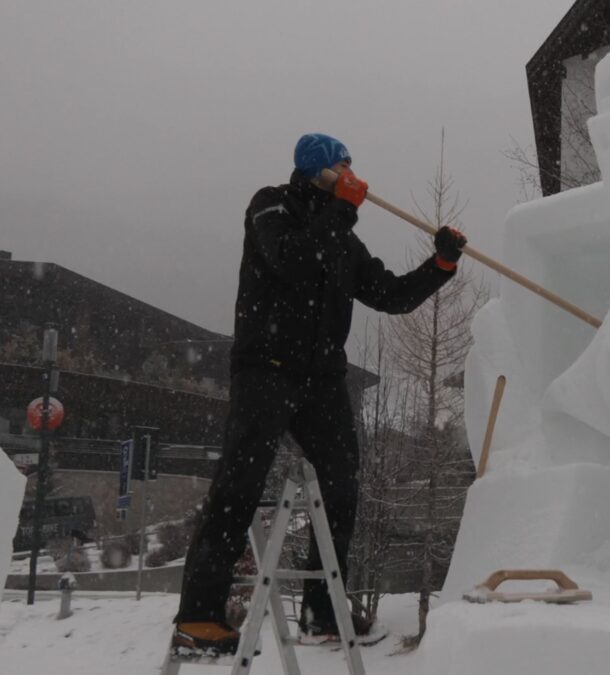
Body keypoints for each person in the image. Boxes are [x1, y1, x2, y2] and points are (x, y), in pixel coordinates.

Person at [172, 133, 467, 655]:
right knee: (239, 483)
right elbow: (291, 259)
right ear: (321, 171)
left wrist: (440, 265)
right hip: (265, 368)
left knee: (342, 483)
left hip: (323, 379)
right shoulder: (271, 206)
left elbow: (391, 296)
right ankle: (198, 616)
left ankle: (320, 609)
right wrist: (342, 212)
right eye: (344, 169)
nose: (354, 178)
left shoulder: (344, 242)